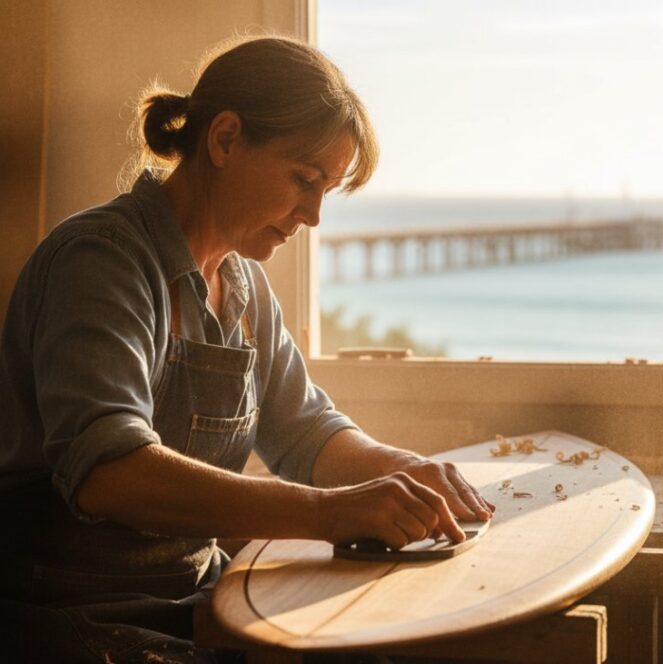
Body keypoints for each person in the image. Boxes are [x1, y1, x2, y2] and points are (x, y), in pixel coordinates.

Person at [0, 35, 493, 663]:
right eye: (304, 179)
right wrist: (329, 514)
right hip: (70, 614)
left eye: (326, 190)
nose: (313, 215)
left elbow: (306, 429)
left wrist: (399, 470)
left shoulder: (242, 283)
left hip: (191, 596)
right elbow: (109, 473)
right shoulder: (102, 261)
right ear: (226, 139)